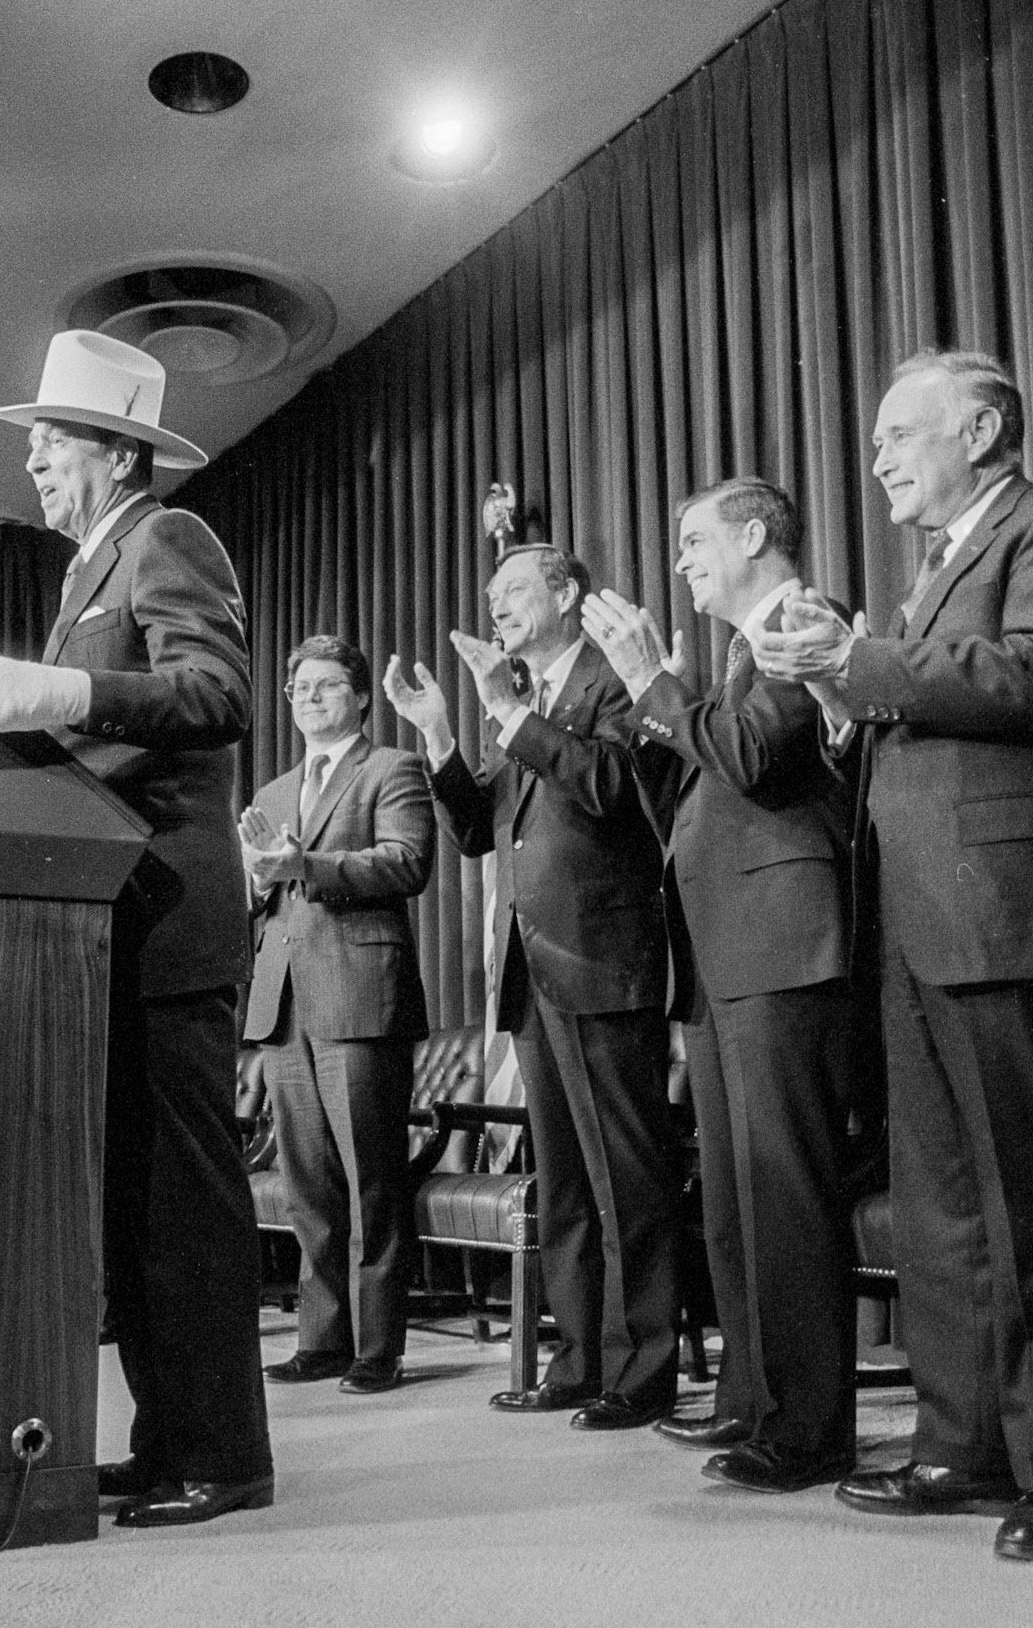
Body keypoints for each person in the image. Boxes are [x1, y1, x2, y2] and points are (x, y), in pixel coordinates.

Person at [0, 329, 273, 1528]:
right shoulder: (88, 566)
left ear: (114, 450)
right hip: (108, 927)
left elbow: (220, 694)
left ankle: (227, 1454)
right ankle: (166, 1432)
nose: (29, 459)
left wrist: (63, 690)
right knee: (131, 1207)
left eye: (47, 438)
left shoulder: (167, 537)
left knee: (186, 1203)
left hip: (173, 921)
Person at [756, 350, 1033, 1560]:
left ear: (979, 428)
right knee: (937, 1200)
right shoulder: (929, 569)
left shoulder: (1024, 529)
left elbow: (1021, 671)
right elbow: (913, 719)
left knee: (1020, 1198)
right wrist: (840, 689)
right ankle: (957, 1444)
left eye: (895, 436)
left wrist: (857, 665)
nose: (875, 461)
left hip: (993, 905)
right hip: (916, 911)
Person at [583, 479, 859, 1493]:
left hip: (783, 948)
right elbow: (695, 790)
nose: (684, 560)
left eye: (696, 539)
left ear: (753, 534)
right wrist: (653, 705)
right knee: (738, 1202)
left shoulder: (793, 624)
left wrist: (655, 681)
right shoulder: (737, 654)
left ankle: (811, 1426)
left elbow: (746, 752)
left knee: (785, 1193)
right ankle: (752, 1395)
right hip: (720, 954)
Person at [383, 545, 683, 1429]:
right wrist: (442, 734)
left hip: (601, 956)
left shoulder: (610, 679)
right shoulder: (526, 703)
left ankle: (643, 1371)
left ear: (566, 593)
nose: (496, 605)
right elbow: (479, 831)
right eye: (490, 594)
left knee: (624, 1174)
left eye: (513, 590)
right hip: (529, 968)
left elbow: (616, 788)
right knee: (562, 1182)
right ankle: (581, 1358)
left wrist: (511, 715)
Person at [241, 634, 434, 1394]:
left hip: (360, 999)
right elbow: (262, 899)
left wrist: (306, 866)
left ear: (358, 695)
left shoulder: (391, 768)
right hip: (286, 1004)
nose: (310, 699)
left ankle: (378, 1348)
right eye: (299, 690)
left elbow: (406, 861)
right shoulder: (271, 793)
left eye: (326, 686)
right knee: (309, 1188)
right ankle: (322, 1338)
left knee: (372, 1184)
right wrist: (259, 881)